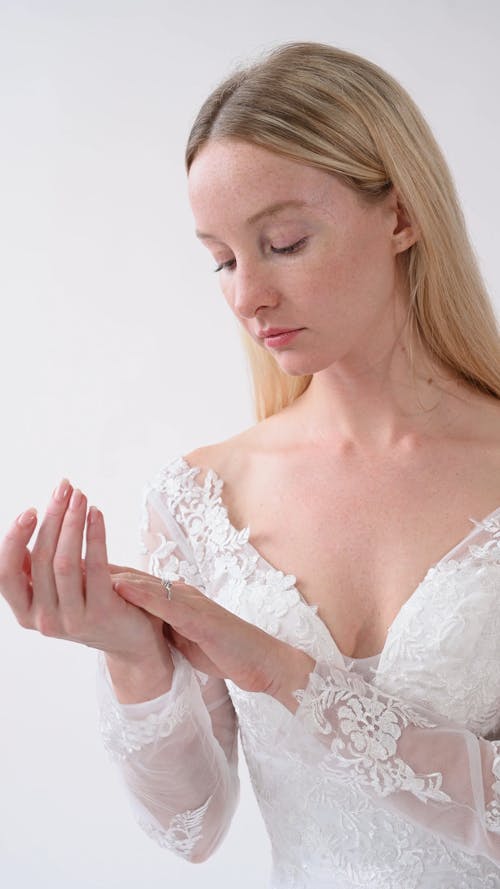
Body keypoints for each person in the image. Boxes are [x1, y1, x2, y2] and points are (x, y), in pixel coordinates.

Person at [1, 39, 500, 889]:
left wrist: (283, 672)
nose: (245, 296)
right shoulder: (203, 499)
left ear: (403, 215)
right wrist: (131, 654)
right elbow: (188, 824)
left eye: (284, 241)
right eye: (223, 259)